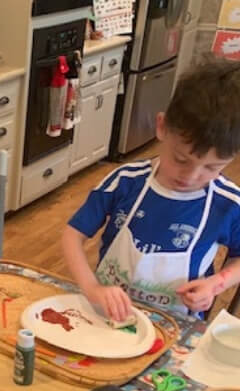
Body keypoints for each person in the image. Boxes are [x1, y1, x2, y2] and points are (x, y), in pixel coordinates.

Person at [62, 58, 240, 321]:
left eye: (211, 167)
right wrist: (92, 288)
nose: (191, 176)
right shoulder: (125, 181)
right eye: (181, 159)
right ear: (161, 127)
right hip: (106, 315)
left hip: (176, 326)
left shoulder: (227, 204)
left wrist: (216, 285)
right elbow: (72, 235)